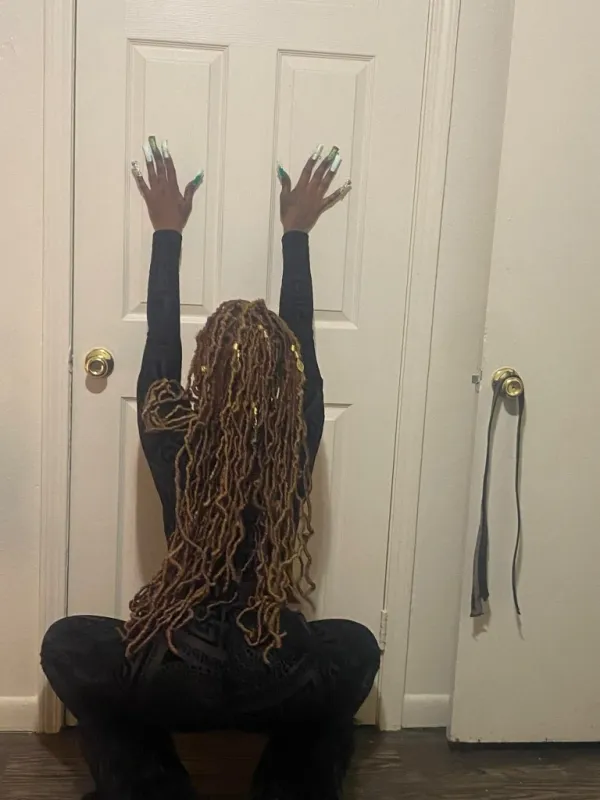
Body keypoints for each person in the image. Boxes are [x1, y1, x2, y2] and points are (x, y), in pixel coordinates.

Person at [41, 136, 380, 800]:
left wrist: (167, 234)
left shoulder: (175, 437)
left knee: (67, 643)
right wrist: (296, 235)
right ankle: (291, 788)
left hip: (177, 668)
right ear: (288, 381)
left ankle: (150, 787)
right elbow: (303, 344)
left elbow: (158, 351)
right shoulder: (292, 436)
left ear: (204, 373)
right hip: (273, 667)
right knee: (355, 646)